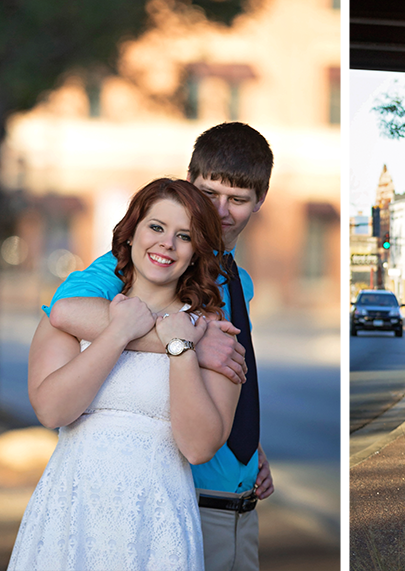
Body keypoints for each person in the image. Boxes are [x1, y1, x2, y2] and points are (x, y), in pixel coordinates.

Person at [46, 122, 274, 571]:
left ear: (260, 201)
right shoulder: (151, 260)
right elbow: (65, 309)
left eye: (238, 200)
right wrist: (182, 344)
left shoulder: (240, 281)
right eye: (208, 193)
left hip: (243, 507)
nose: (221, 211)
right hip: (185, 498)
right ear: (189, 183)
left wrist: (249, 448)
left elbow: (225, 373)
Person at [8, 178, 240, 570]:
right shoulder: (76, 312)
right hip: (71, 511)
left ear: (195, 253)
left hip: (158, 520)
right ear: (131, 232)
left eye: (184, 236)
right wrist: (119, 332)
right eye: (156, 227)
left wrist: (181, 347)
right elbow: (51, 411)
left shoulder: (214, 336)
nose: (167, 243)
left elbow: (198, 447)